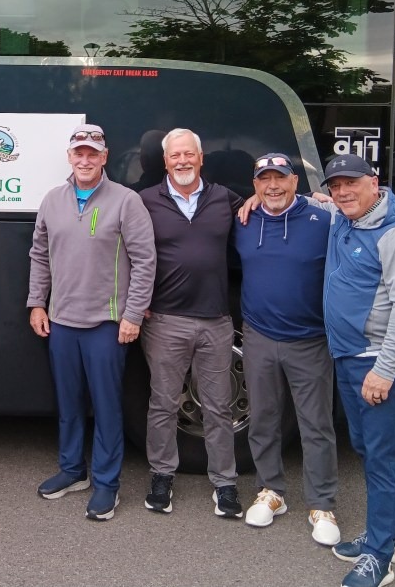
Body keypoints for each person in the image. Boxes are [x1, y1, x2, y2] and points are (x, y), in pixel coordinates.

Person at [27, 124, 156, 521]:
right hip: (62, 321)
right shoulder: (52, 200)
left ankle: (106, 484)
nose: (85, 160)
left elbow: (145, 261)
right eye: (78, 153)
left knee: (106, 406)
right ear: (69, 157)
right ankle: (72, 471)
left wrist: (132, 314)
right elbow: (39, 255)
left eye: (92, 154)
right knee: (68, 403)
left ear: (104, 157)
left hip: (106, 323)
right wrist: (37, 303)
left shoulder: (126, 201)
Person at [321, 154, 395, 587]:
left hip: (381, 363)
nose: (342, 192)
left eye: (351, 183)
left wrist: (384, 371)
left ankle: (379, 558)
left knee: (383, 460)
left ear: (374, 182)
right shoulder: (346, 217)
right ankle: (388, 537)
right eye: (335, 186)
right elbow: (309, 199)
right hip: (350, 358)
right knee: (367, 450)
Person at [232, 153, 340, 545]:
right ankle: (271, 491)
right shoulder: (243, 221)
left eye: (280, 178)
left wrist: (321, 200)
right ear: (255, 184)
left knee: (316, 425)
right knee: (263, 418)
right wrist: (250, 202)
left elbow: (370, 211)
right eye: (264, 179)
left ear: (295, 182)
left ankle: (322, 504)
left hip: (310, 340)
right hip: (258, 336)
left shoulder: (324, 220)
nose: (273, 186)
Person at [137, 128, 245, 518]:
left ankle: (225, 483)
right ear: (164, 162)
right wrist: (137, 301)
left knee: (218, 408)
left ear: (201, 158)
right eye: (174, 155)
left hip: (216, 321)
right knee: (163, 405)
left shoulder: (225, 199)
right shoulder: (145, 200)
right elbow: (123, 250)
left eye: (188, 154)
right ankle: (162, 476)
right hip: (165, 321)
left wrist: (315, 199)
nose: (182, 161)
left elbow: (269, 206)